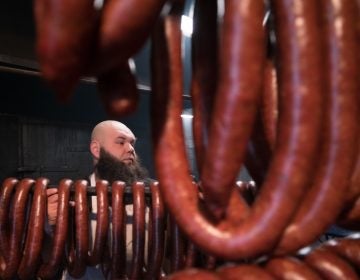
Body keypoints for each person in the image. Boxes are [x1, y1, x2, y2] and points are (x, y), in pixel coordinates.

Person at [46, 120, 151, 279]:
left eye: (132, 143)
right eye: (121, 142)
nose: (130, 149)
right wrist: (52, 224)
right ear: (96, 149)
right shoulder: (72, 197)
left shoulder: (153, 195)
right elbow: (49, 256)